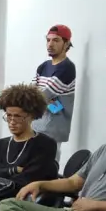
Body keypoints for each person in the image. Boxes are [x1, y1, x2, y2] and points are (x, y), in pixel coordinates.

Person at [32, 24, 76, 161]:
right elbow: (32, 93)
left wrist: (42, 99)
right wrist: (42, 99)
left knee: (48, 168)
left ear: (66, 43)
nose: (50, 44)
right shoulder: (43, 66)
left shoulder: (67, 68)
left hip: (53, 128)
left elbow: (43, 95)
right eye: (48, 40)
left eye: (56, 40)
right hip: (36, 124)